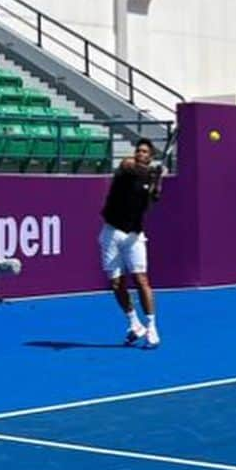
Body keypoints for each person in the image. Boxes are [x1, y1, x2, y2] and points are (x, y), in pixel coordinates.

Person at [99, 137, 163, 347]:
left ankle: (152, 327)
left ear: (150, 156)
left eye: (145, 152)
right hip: (112, 232)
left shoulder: (151, 176)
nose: (140, 154)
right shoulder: (126, 167)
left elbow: (152, 200)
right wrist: (152, 172)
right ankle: (135, 323)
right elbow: (128, 165)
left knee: (141, 279)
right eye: (139, 150)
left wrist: (156, 181)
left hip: (134, 235)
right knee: (116, 283)